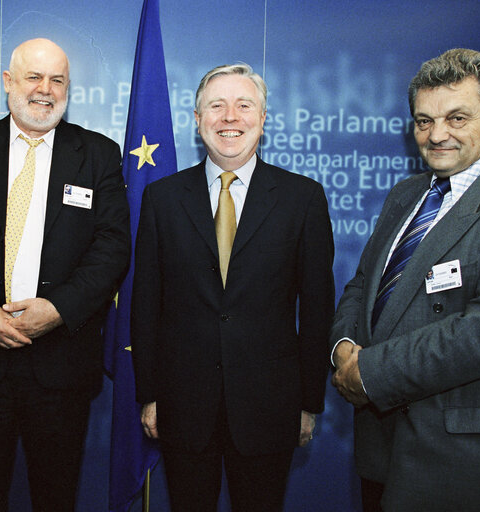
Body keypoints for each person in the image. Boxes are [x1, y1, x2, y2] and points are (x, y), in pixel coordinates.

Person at [0, 38, 131, 511]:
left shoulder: (98, 154)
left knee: (56, 498)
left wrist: (60, 309)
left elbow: (112, 246)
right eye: (34, 77)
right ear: (8, 83)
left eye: (57, 80)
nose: (45, 90)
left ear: (69, 88)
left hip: (60, 368)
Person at [131, 63, 335, 511]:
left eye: (244, 106)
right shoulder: (162, 199)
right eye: (216, 106)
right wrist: (149, 395)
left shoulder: (303, 199)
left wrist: (308, 402)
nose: (230, 117)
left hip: (271, 407)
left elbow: (318, 309)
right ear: (197, 119)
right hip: (182, 406)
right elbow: (145, 305)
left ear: (263, 119)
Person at [330, 48, 480, 512]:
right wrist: (342, 347)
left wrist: (371, 372)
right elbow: (362, 285)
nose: (437, 135)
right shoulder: (407, 194)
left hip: (458, 462)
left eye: (457, 118)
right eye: (423, 121)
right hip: (382, 450)